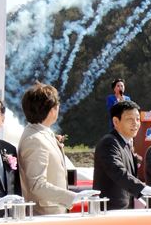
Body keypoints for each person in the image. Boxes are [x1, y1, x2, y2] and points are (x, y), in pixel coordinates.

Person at [18, 82, 96, 215]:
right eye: (56, 104)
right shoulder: (35, 139)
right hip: (45, 214)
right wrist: (73, 197)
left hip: (53, 211)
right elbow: (37, 185)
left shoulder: (41, 133)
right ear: (51, 109)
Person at [93, 101, 151, 210]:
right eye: (130, 119)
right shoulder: (109, 143)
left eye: (137, 119)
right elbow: (118, 172)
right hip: (109, 211)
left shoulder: (126, 143)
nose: (135, 123)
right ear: (116, 121)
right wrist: (145, 189)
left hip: (125, 210)